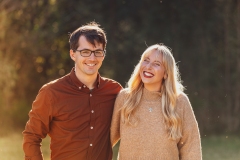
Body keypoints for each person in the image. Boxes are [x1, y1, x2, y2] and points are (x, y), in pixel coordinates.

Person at [23, 22, 122, 160]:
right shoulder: (51, 93)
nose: (92, 58)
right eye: (85, 52)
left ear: (103, 55)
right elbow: (32, 136)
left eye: (98, 52)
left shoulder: (115, 91)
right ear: (73, 54)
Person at [111, 44, 202, 160]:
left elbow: (191, 148)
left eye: (156, 64)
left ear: (166, 73)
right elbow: (107, 140)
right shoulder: (125, 98)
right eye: (146, 61)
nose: (148, 66)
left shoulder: (179, 101)